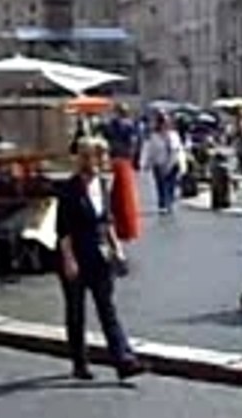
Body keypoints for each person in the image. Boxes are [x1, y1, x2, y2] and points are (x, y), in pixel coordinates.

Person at [56, 137, 145, 381]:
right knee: (76, 312)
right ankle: (79, 362)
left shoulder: (104, 185)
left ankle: (123, 360)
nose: (105, 161)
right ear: (87, 158)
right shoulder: (68, 189)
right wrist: (69, 260)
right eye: (100, 156)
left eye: (105, 156)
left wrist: (118, 250)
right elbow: (62, 229)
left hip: (100, 254)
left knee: (107, 308)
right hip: (76, 253)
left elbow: (107, 221)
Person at [104, 103, 142, 243]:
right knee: (126, 197)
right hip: (124, 161)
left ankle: (117, 227)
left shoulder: (109, 125)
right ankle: (127, 228)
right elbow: (134, 144)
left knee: (114, 197)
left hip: (112, 160)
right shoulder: (131, 126)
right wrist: (134, 160)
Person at [141, 112, 185, 214]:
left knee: (171, 185)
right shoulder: (154, 136)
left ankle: (169, 202)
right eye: (163, 122)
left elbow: (179, 150)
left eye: (167, 122)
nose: (165, 124)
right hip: (159, 164)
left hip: (173, 163)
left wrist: (183, 165)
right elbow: (150, 151)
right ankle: (163, 204)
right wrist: (146, 163)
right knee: (161, 185)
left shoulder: (174, 135)